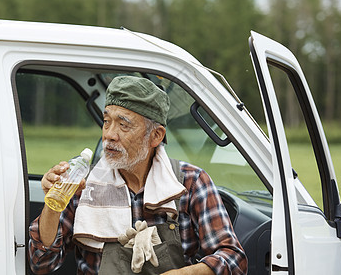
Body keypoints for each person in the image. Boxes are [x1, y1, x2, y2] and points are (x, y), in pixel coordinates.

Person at [28, 76, 247, 275]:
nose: (109, 135)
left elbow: (234, 260)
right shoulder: (83, 184)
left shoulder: (191, 183)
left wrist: (184, 274)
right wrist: (52, 205)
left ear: (156, 136)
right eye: (106, 121)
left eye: (123, 125)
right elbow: (41, 263)